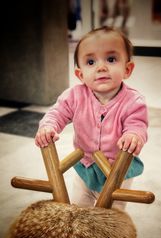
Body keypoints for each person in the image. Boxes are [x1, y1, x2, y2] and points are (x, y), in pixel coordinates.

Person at [35, 26, 148, 209]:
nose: (101, 67)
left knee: (112, 213)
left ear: (127, 69)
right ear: (80, 74)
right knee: (79, 207)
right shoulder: (74, 96)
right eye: (90, 62)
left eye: (111, 59)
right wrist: (48, 126)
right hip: (85, 166)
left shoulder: (133, 101)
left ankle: (109, 235)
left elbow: (137, 124)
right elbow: (57, 112)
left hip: (118, 170)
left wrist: (134, 136)